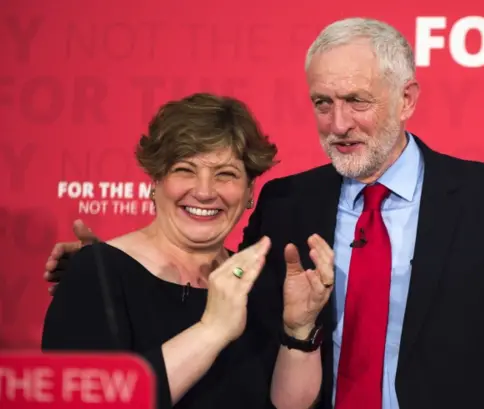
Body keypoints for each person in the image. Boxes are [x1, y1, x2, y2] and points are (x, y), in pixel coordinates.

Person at [43, 18, 484, 409]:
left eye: (357, 101)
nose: (339, 123)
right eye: (322, 103)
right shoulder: (286, 203)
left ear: (408, 99)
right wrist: (105, 271)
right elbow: (212, 282)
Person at [41, 93, 334, 409]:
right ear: (156, 180)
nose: (205, 192)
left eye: (226, 174)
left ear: (249, 191)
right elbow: (89, 402)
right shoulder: (97, 274)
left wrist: (299, 330)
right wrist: (212, 331)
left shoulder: (251, 283)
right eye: (185, 170)